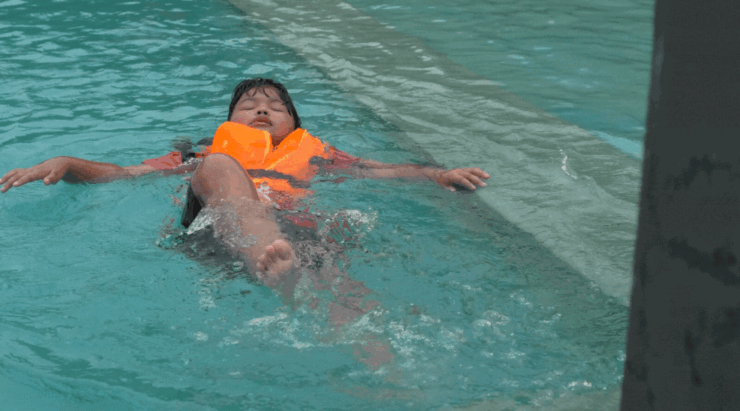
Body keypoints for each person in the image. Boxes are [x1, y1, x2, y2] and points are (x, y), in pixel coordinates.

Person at [0, 78, 490, 285]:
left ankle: (284, 281)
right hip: (213, 231)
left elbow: (381, 171)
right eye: (249, 105)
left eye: (275, 106)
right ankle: (266, 260)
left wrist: (436, 174)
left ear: (293, 125)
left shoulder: (317, 154)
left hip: (290, 234)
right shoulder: (201, 154)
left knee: (338, 287)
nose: (261, 109)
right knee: (219, 171)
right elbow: (124, 174)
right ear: (230, 120)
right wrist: (67, 163)